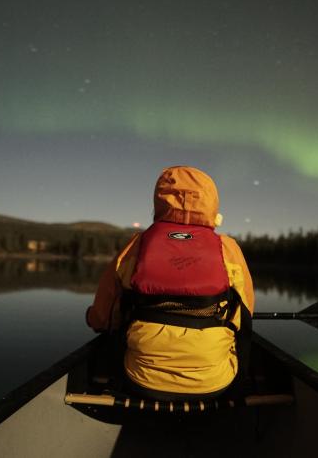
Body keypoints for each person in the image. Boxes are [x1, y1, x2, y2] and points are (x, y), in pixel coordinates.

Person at [86, 165, 254, 400]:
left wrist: (94, 318)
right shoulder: (228, 248)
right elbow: (244, 312)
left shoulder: (137, 245)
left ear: (160, 200)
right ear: (211, 203)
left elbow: (105, 317)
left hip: (140, 378)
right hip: (216, 381)